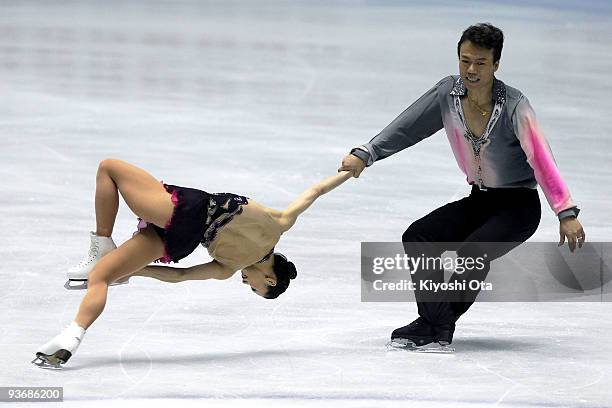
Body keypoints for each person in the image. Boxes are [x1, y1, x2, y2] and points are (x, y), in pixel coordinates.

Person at [339, 23, 586, 350]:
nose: (471, 70)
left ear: (496, 64)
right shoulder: (448, 94)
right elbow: (407, 126)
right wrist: (367, 153)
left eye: (480, 63)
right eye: (465, 60)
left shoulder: (514, 105)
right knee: (418, 236)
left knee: (472, 253)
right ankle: (434, 323)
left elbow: (541, 159)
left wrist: (565, 212)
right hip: (479, 201)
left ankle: (435, 324)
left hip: (518, 208)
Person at [33, 158, 353, 368]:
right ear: (270, 281)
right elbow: (180, 275)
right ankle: (71, 336)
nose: (248, 285)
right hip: (177, 239)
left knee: (109, 168)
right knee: (101, 277)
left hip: (187, 209)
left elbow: (315, 190)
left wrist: (350, 168)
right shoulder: (227, 269)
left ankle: (102, 243)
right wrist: (132, 270)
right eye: (255, 290)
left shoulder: (280, 223)